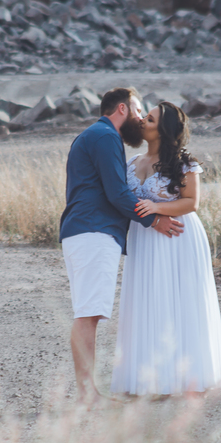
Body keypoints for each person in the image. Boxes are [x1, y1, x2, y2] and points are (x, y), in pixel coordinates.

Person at [60, 87, 185, 404]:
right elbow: (117, 193)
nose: (142, 118)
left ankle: (87, 392)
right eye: (139, 111)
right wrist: (154, 220)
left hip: (85, 231)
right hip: (93, 231)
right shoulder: (105, 137)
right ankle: (87, 395)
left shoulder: (94, 136)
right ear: (122, 109)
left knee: (88, 312)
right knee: (88, 313)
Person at [113, 102, 221, 396]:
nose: (142, 122)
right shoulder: (132, 161)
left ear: (162, 131)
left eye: (149, 120)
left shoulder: (183, 162)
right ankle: (149, 378)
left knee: (180, 302)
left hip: (178, 239)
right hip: (144, 240)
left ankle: (184, 377)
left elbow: (191, 202)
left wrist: (158, 207)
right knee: (147, 301)